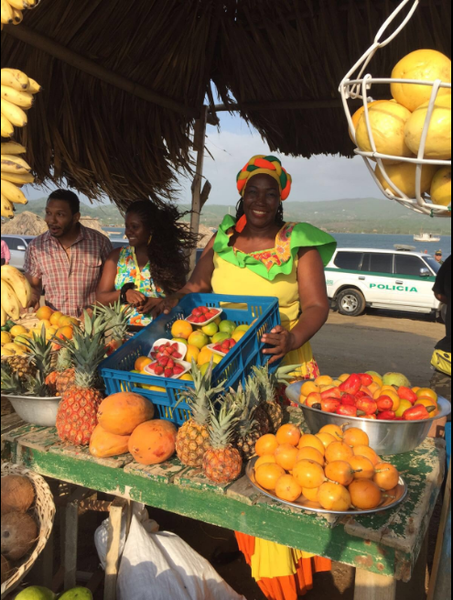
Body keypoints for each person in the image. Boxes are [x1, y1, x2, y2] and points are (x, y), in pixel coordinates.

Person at [155, 155, 337, 598]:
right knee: (242, 467)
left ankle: (291, 576)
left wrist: (292, 337)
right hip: (228, 368)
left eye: (269, 191)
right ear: (242, 195)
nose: (260, 199)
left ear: (281, 198)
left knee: (285, 470)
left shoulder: (300, 243)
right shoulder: (222, 239)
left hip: (284, 371)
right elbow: (198, 288)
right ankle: (262, 564)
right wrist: (167, 301)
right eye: (252, 191)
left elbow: (317, 305)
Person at [96, 200, 198, 327]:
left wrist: (158, 302)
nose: (128, 232)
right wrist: (123, 294)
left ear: (151, 229)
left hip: (160, 335)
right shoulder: (117, 257)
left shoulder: (168, 260)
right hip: (121, 335)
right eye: (127, 226)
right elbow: (100, 298)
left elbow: (181, 300)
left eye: (135, 227)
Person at [24, 189, 113, 317]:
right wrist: (32, 297)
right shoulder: (36, 247)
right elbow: (33, 285)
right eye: (48, 213)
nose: (51, 220)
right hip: (54, 325)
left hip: (92, 327)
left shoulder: (100, 243)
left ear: (76, 217)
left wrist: (95, 308)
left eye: (60, 215)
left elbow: (110, 287)